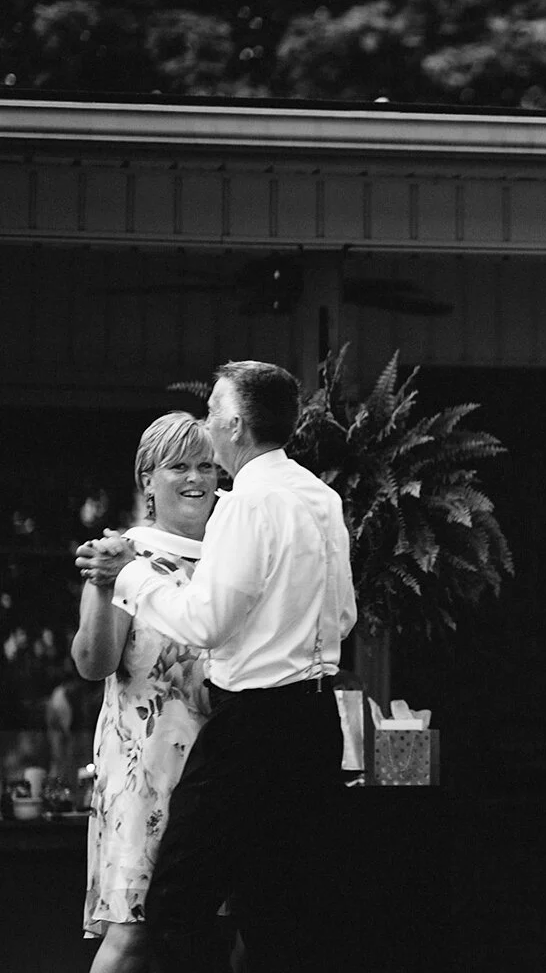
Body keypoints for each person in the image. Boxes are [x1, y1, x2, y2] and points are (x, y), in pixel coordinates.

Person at [76, 360, 357, 973]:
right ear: (150, 480)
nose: (203, 462)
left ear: (232, 422)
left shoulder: (245, 505)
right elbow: (343, 618)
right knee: (280, 914)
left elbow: (206, 625)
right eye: (180, 464)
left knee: (178, 906)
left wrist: (128, 577)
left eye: (211, 417)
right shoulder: (322, 497)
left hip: (247, 730)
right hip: (310, 725)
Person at [70, 412, 218, 973]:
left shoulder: (232, 559)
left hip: (219, 767)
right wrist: (107, 586)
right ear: (147, 481)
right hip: (145, 770)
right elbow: (93, 662)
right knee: (132, 935)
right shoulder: (121, 552)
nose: (195, 478)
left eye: (207, 465)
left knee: (217, 935)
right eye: (178, 465)